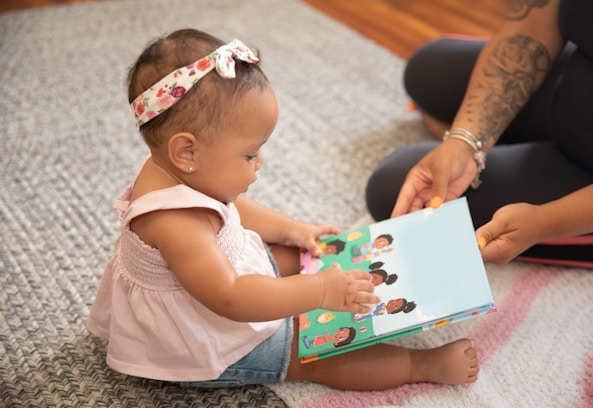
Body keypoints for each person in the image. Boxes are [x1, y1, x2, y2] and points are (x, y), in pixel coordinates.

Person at [87, 28, 480, 391]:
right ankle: (420, 365)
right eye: (249, 154)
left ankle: (315, 276)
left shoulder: (180, 169)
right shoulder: (176, 222)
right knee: (318, 352)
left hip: (218, 281)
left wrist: (292, 229)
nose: (260, 163)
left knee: (307, 253)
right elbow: (232, 298)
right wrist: (319, 290)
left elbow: (233, 207)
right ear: (186, 150)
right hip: (206, 336)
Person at [366, 0, 593, 270]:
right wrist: (466, 140)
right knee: (427, 72)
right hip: (582, 78)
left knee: (392, 190)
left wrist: (545, 221)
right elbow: (535, 19)